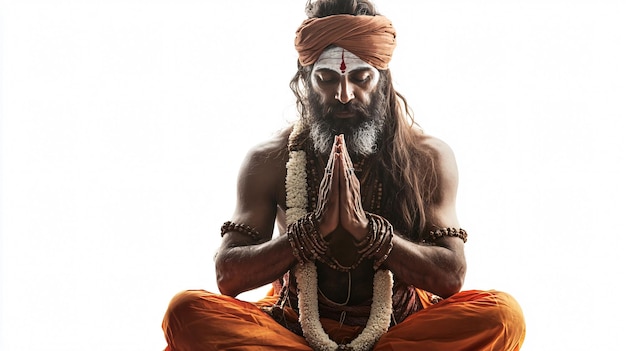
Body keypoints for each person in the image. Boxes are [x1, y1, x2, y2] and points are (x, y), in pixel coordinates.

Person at [161, 0, 526, 350]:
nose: (344, 94)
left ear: (382, 80)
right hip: (292, 326)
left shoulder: (425, 157)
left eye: (361, 77)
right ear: (305, 80)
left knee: (503, 316)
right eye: (325, 79)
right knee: (187, 312)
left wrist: (368, 232)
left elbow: (450, 278)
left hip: (402, 328)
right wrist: (311, 231)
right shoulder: (270, 158)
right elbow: (228, 277)